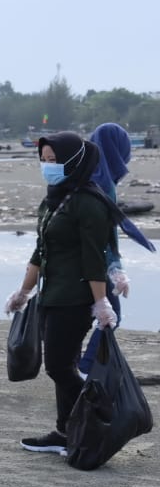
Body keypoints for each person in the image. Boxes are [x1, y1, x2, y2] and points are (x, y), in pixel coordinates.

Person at [4, 132, 121, 455]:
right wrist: (23, 292)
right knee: (63, 365)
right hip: (51, 296)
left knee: (58, 366)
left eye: (54, 160)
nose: (47, 166)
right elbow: (40, 251)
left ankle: (106, 415)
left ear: (74, 161)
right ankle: (66, 431)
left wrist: (101, 302)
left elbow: (94, 258)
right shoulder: (54, 200)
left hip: (75, 298)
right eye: (44, 159)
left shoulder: (89, 202)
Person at [78, 122, 154, 371]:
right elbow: (105, 231)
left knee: (82, 316)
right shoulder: (103, 181)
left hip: (71, 258)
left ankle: (78, 363)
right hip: (93, 262)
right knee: (111, 316)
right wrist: (115, 268)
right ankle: (87, 366)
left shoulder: (81, 171)